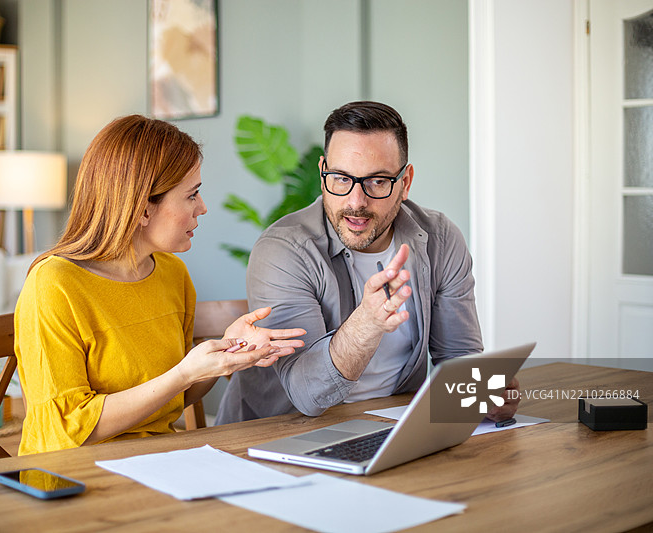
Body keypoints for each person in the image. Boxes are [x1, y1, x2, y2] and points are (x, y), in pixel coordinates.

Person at [14, 115, 305, 455]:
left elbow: (177, 394)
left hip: (161, 461)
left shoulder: (171, 273)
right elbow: (68, 428)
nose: (203, 207)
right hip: (70, 477)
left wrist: (227, 350)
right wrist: (183, 374)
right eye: (191, 195)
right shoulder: (54, 285)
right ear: (141, 209)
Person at [216, 101, 519, 424]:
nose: (355, 202)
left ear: (405, 182)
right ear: (322, 175)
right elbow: (307, 395)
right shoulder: (283, 250)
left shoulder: (440, 239)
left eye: (377, 181)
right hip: (280, 438)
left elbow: (458, 361)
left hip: (393, 429)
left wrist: (484, 395)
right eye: (341, 178)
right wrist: (367, 323)